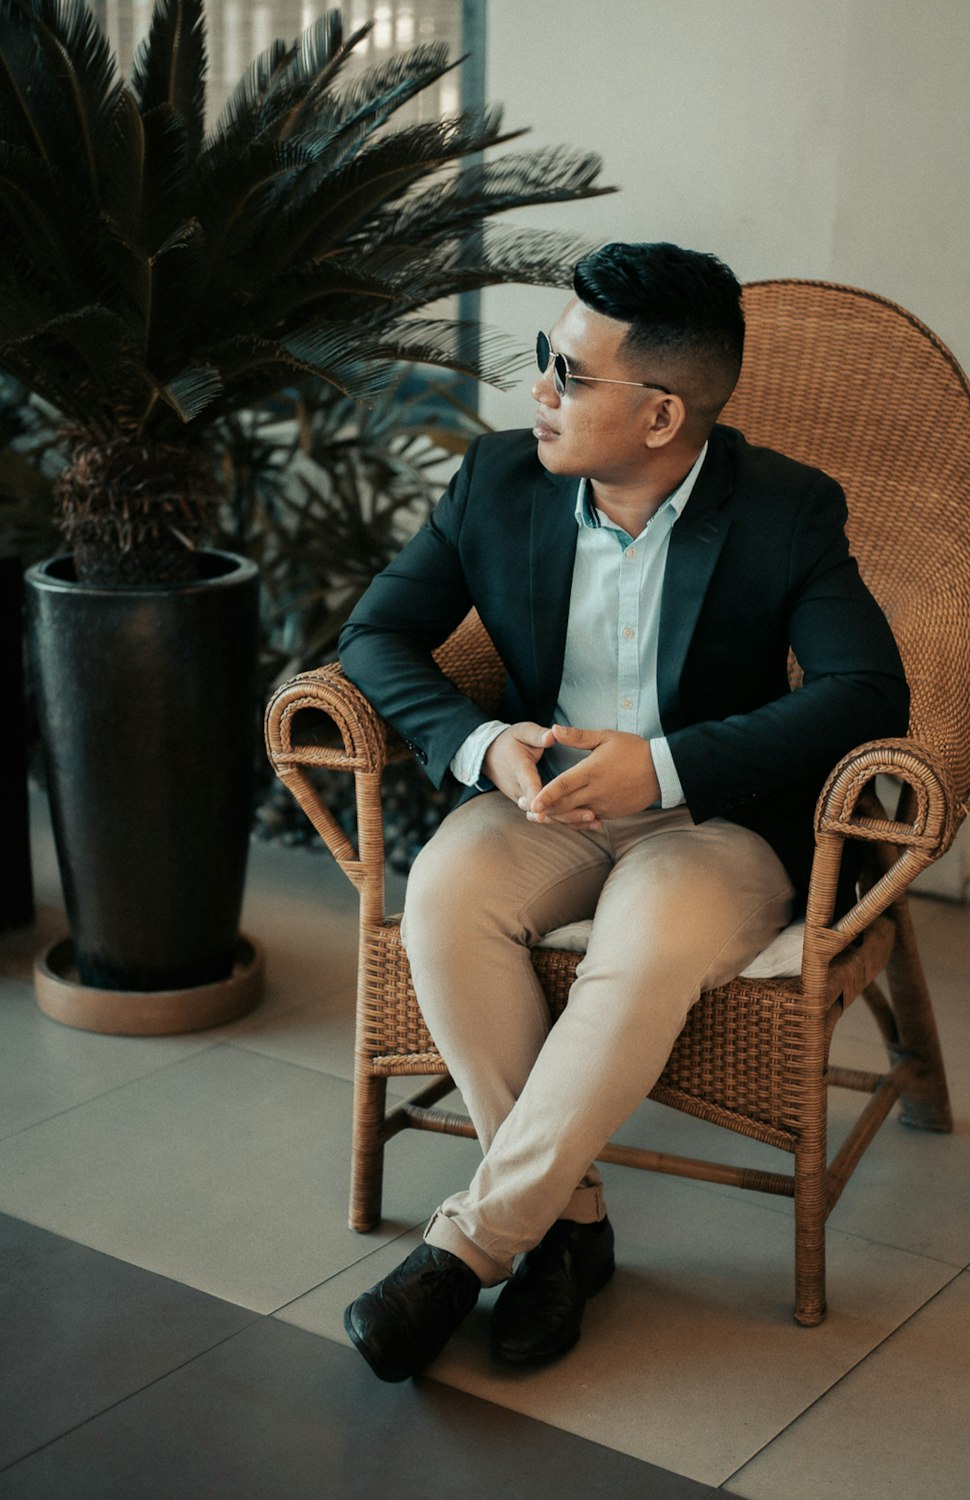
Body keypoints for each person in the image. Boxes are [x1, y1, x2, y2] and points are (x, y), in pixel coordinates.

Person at [337, 241, 909, 1383]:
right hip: (543, 802)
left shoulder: (787, 510)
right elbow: (376, 634)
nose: (536, 392)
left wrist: (664, 766)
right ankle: (567, 1231)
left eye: (567, 372)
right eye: (548, 360)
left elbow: (866, 692)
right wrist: (482, 741)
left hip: (719, 822)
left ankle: (472, 1246)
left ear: (660, 416)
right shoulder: (499, 481)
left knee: (644, 933)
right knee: (447, 892)